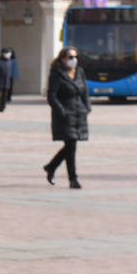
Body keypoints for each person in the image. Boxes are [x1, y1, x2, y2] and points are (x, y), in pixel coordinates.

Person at [43, 46, 90, 189]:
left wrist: (87, 107)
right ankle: (73, 179)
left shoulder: (79, 72)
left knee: (71, 146)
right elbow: (51, 96)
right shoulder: (57, 74)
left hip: (79, 114)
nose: (73, 60)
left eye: (75, 57)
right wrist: (61, 111)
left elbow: (84, 91)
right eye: (70, 57)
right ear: (62, 59)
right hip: (65, 114)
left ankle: (51, 167)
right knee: (71, 145)